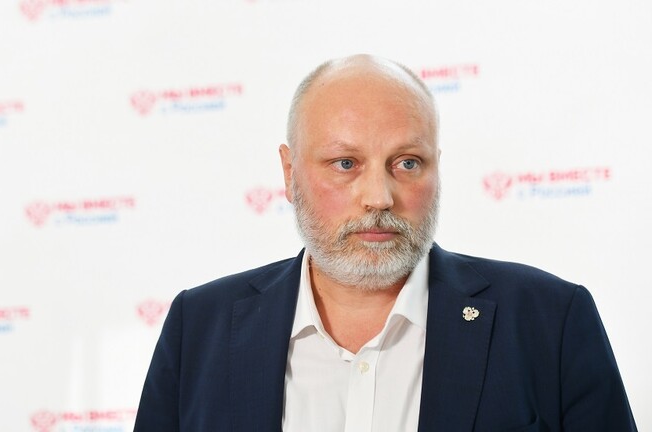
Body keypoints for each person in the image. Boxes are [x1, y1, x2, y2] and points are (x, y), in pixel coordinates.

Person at [133, 54, 637, 432]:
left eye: (407, 163)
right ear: (289, 173)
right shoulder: (198, 328)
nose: (379, 197)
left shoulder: (551, 321)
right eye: (345, 164)